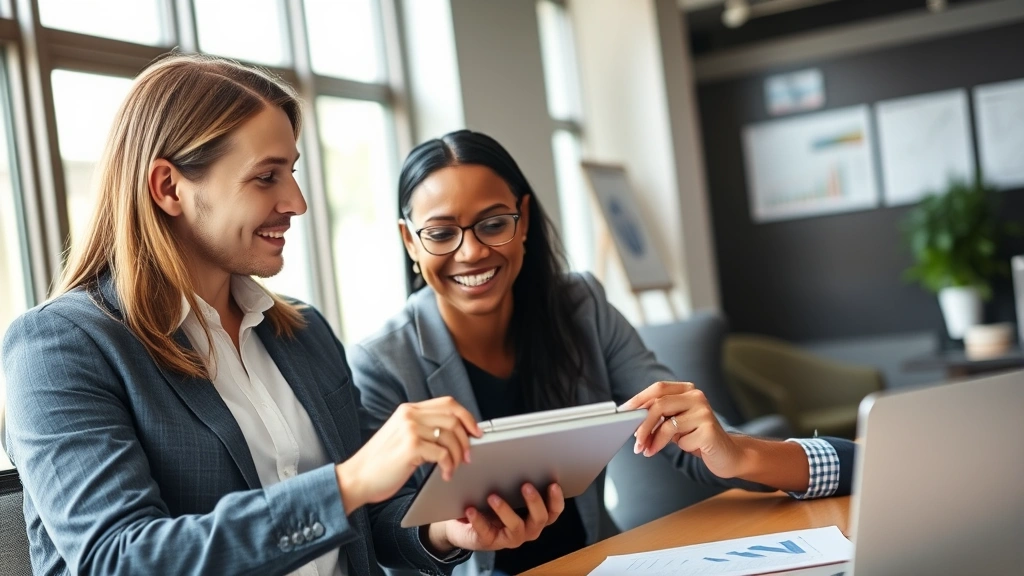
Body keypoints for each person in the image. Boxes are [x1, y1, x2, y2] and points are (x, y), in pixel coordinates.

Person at [1, 57, 564, 576]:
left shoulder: (303, 332)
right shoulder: (60, 347)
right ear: (169, 187)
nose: (297, 202)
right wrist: (348, 482)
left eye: (292, 172)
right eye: (266, 176)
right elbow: (118, 559)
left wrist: (444, 531)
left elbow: (365, 522)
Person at [349, 129, 856, 575]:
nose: (472, 251)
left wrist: (737, 451)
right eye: (441, 233)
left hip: (596, 563)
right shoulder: (382, 362)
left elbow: (703, 449)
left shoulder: (580, 308)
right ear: (409, 241)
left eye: (493, 223)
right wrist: (447, 533)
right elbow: (377, 530)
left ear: (523, 219)